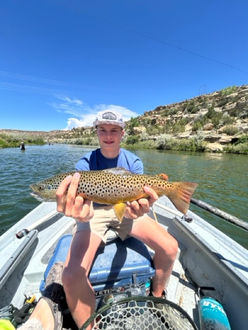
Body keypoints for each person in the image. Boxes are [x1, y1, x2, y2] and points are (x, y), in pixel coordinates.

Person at [56, 110, 178, 329]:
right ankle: (90, 325)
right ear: (96, 133)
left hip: (127, 210)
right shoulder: (85, 162)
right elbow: (82, 205)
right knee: (71, 275)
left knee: (170, 248)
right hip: (93, 212)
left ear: (123, 133)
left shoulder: (134, 161)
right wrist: (77, 213)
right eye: (102, 129)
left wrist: (138, 210)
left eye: (114, 130)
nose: (108, 135)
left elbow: (137, 201)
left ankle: (157, 297)